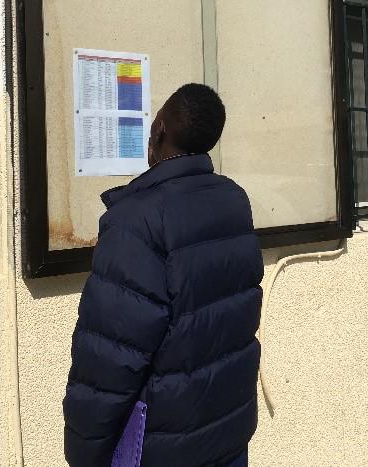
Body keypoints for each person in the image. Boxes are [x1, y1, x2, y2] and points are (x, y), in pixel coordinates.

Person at [64, 83, 263, 467]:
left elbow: (110, 359)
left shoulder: (135, 221)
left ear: (158, 130)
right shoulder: (232, 200)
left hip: (164, 447)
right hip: (226, 431)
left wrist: (84, 452)